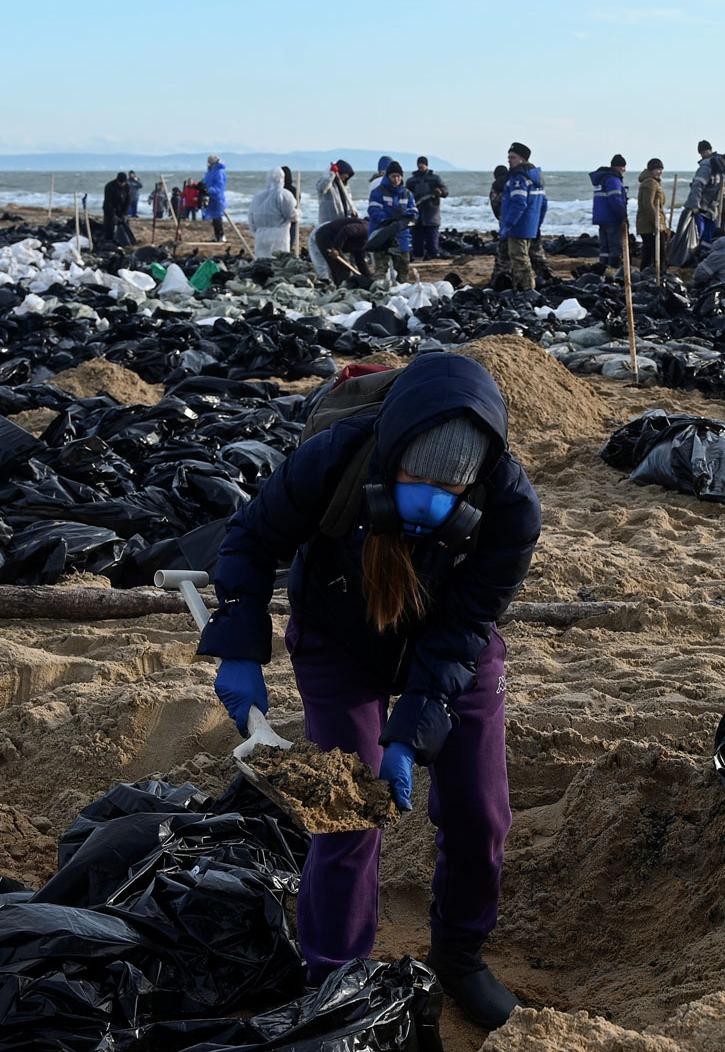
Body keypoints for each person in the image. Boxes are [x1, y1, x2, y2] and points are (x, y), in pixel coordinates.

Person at [200, 352, 541, 1030]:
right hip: (337, 635)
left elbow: (465, 626)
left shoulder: (510, 507)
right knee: (350, 813)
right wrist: (239, 648)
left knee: (480, 814)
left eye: (449, 493)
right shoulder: (337, 458)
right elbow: (249, 539)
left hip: (447, 645)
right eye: (416, 481)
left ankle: (461, 956)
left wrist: (414, 730)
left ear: (473, 487)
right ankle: (333, 976)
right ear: (392, 455)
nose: (429, 501)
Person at [498, 142, 547, 292]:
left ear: (523, 159)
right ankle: (523, 286)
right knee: (524, 256)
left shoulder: (518, 178)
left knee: (519, 258)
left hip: (519, 226)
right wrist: (537, 224)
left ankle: (527, 289)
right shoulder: (536, 179)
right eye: (508, 157)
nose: (509, 160)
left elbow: (519, 204)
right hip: (530, 225)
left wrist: (508, 224)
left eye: (513, 157)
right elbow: (544, 204)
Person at [367, 161, 418, 281]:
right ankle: (380, 293)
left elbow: (414, 212)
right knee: (381, 270)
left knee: (403, 269)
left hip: (401, 236)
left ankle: (401, 294)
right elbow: (373, 210)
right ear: (387, 177)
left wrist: (406, 221)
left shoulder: (407, 194)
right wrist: (387, 221)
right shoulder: (378, 192)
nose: (396, 179)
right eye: (393, 176)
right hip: (382, 235)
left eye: (398, 176)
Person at [588, 154, 628, 274]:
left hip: (601, 217)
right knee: (615, 247)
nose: (624, 170)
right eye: (623, 167)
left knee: (604, 247)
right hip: (612, 218)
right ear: (618, 167)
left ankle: (602, 270)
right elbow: (615, 200)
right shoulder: (613, 180)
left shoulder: (602, 179)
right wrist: (623, 216)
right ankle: (614, 271)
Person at [684, 141, 725, 242]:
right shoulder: (708, 166)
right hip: (705, 208)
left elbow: (720, 190)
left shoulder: (716, 166)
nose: (703, 155)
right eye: (701, 153)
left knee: (709, 234)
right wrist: (695, 205)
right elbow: (698, 187)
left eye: (705, 152)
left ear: (711, 150)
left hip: (711, 208)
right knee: (702, 233)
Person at [404, 156, 448, 261]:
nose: (421, 165)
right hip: (416, 214)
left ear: (426, 165)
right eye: (419, 164)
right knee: (417, 244)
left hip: (432, 214)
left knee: (432, 243)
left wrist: (440, 191)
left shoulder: (435, 178)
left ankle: (433, 257)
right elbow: (405, 195)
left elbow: (445, 191)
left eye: (423, 163)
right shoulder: (411, 180)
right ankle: (418, 258)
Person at [249, 167, 299, 257]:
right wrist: (298, 213)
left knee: (263, 261)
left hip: (261, 235)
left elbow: (251, 215)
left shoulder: (259, 196)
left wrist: (254, 232)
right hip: (279, 235)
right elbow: (291, 215)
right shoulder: (284, 194)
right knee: (278, 261)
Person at [308, 215, 373, 284]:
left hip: (329, 239)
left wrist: (368, 277)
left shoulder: (364, 239)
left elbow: (360, 260)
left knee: (339, 268)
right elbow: (347, 230)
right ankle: (342, 290)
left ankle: (338, 286)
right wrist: (336, 248)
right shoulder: (366, 227)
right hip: (326, 237)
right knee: (342, 269)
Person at [635, 158, 667, 272]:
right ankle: (658, 275)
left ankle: (647, 274)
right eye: (657, 169)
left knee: (649, 252)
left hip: (649, 223)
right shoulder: (651, 182)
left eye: (661, 169)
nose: (660, 171)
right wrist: (657, 222)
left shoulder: (653, 181)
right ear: (651, 170)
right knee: (658, 253)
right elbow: (647, 204)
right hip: (650, 225)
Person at [316, 159, 357, 225]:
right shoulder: (327, 184)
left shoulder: (345, 186)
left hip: (343, 220)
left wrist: (352, 212)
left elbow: (349, 201)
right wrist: (332, 173)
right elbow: (322, 188)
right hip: (329, 221)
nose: (347, 176)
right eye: (345, 173)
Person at [102, 173, 133, 246]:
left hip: (121, 207)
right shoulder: (109, 186)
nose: (122, 184)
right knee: (109, 224)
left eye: (123, 183)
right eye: (120, 183)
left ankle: (123, 241)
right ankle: (108, 239)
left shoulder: (127, 187)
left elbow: (128, 201)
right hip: (109, 207)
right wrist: (113, 214)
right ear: (117, 181)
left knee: (124, 222)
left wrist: (125, 213)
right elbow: (108, 202)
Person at [202, 155, 228, 242]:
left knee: (218, 217)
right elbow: (206, 182)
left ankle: (221, 235)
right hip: (211, 196)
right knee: (214, 217)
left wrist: (209, 189)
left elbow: (219, 186)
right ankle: (216, 235)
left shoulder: (219, 172)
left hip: (217, 197)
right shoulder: (210, 172)